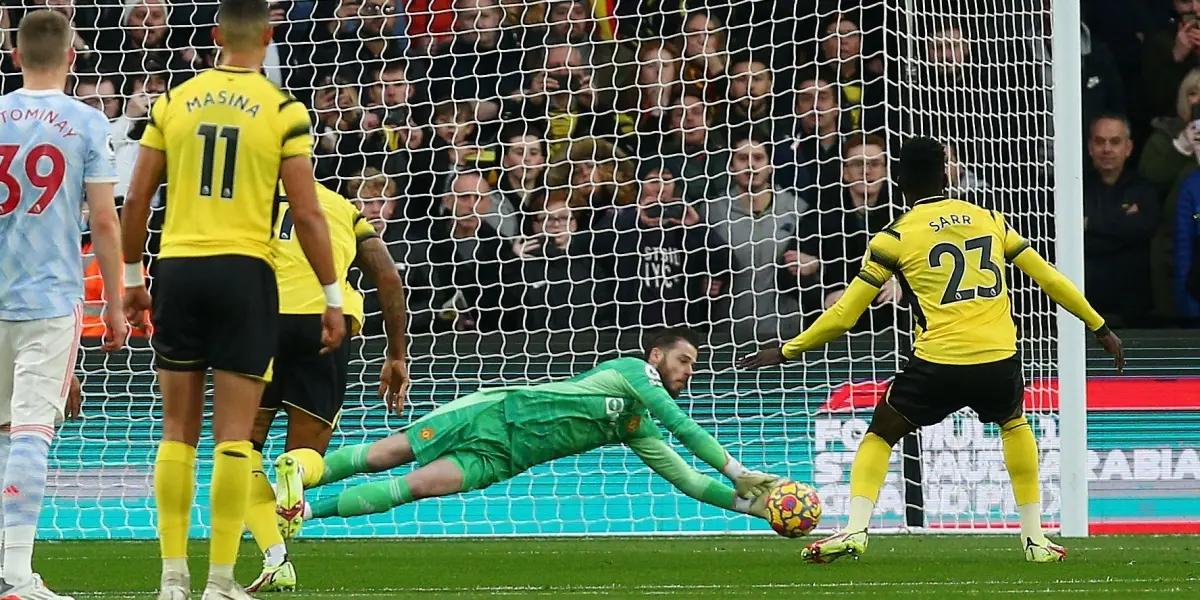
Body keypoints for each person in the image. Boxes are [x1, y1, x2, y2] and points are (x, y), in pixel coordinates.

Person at [739, 137, 1125, 564]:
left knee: (881, 431)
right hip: (997, 358)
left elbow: (846, 315)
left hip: (938, 363)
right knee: (1014, 423)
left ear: (898, 180)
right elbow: (1049, 278)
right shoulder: (990, 219)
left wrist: (789, 350)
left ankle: (854, 530)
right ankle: (1034, 539)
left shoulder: (894, 238)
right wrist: (1099, 326)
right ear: (945, 176)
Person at [118, 1, 345, 598]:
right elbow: (306, 210)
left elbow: (136, 199)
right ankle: (220, 580)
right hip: (245, 273)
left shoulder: (173, 102)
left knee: (176, 431)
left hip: (181, 268)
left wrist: (131, 277)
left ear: (216, 34)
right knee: (234, 437)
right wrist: (330, 295)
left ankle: (171, 578)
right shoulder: (283, 110)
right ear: (269, 36)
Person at [272, 329, 782, 529]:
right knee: (385, 456)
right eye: (683, 359)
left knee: (419, 487)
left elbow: (688, 479)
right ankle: (295, 474)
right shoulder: (633, 373)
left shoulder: (637, 426)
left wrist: (750, 506)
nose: (688, 369)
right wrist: (738, 469)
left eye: (693, 364)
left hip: (504, 456)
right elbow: (683, 426)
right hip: (493, 413)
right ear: (656, 356)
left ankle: (299, 511)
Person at [0, 11, 126, 600]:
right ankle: (19, 576)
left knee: (6, 434)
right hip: (49, 299)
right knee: (29, 435)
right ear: (73, 56)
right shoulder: (85, 121)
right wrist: (119, 303)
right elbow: (103, 218)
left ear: (14, 53)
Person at [244, 183, 411, 592]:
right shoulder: (340, 206)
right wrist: (396, 355)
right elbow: (388, 277)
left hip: (255, 323)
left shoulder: (244, 199)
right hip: (322, 325)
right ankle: (296, 469)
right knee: (307, 453)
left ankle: (274, 556)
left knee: (239, 450)